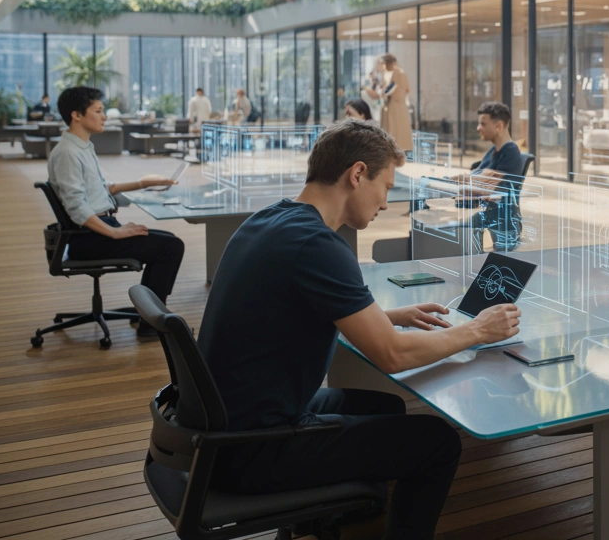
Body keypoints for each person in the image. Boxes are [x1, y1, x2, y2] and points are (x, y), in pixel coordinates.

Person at [196, 121, 520, 540]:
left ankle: (321, 518)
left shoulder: (270, 221)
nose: (386, 202)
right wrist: (477, 330)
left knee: (386, 408)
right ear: (357, 174)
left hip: (223, 424)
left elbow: (291, 311)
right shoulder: (319, 246)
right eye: (386, 187)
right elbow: (394, 356)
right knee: (439, 443)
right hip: (253, 449)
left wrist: (386, 316)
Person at [47, 87, 186, 338]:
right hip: (87, 237)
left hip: (95, 229)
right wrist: (114, 233)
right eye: (98, 111)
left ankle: (150, 316)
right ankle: (153, 324)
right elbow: (76, 206)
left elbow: (104, 188)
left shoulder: (82, 147)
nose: (104, 116)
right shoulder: (68, 153)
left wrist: (144, 183)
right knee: (170, 248)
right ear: (76, 115)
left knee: (168, 241)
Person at [448, 102, 525, 252]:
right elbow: (476, 177)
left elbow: (485, 185)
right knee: (458, 233)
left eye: (483, 124)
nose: (478, 128)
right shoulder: (494, 151)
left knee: (462, 236)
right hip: (490, 215)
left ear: (498, 126)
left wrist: (467, 181)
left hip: (503, 222)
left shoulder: (510, 152)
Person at [379, 54, 413, 145]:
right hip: (390, 106)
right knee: (389, 132)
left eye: (383, 64)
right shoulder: (388, 73)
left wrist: (382, 93)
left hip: (397, 106)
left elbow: (392, 88)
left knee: (398, 133)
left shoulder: (399, 73)